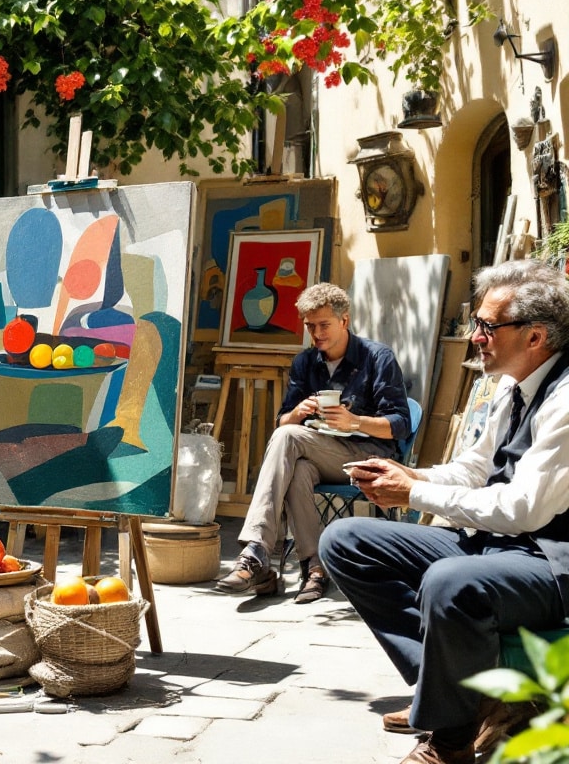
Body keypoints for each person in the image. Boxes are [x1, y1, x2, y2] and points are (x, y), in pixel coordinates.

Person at [321, 260, 569, 764]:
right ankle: (466, 698)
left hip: (549, 557)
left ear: (536, 336)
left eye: (486, 326)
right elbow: (476, 469)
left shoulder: (565, 397)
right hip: (499, 542)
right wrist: (412, 477)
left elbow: (524, 508)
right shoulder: (512, 383)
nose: (475, 336)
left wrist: (412, 497)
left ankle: (450, 741)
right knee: (345, 542)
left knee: (451, 582)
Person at [215, 282, 411, 603]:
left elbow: (401, 425)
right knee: (299, 469)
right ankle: (315, 569)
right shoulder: (305, 363)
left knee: (290, 440)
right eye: (309, 326)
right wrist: (298, 411)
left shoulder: (378, 358)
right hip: (319, 452)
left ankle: (256, 549)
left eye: (323, 325)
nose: (316, 333)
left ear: (344, 321)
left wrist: (355, 421)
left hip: (368, 455)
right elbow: (282, 422)